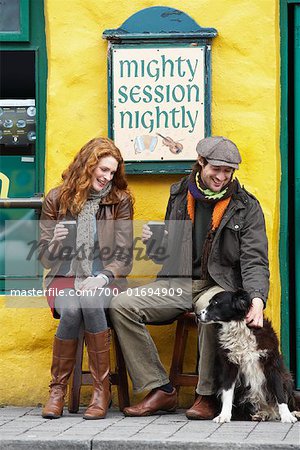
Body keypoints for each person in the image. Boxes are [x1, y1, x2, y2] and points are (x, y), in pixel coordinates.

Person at [110, 135, 269, 418]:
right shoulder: (180, 194)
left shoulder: (246, 206)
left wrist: (257, 299)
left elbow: (255, 260)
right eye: (216, 169)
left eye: (228, 171)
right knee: (121, 304)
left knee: (213, 314)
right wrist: (155, 244)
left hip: (217, 285)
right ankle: (160, 389)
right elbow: (166, 253)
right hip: (178, 282)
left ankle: (206, 395)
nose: (222, 176)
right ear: (200, 162)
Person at [39, 137, 133, 420]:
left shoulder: (119, 201)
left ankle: (101, 390)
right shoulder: (56, 199)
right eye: (102, 169)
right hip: (65, 277)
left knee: (90, 301)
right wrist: (54, 243)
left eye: (112, 173)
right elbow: (45, 259)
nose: (107, 177)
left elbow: (125, 257)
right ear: (87, 165)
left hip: (105, 279)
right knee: (70, 308)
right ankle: (57, 390)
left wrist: (102, 277)